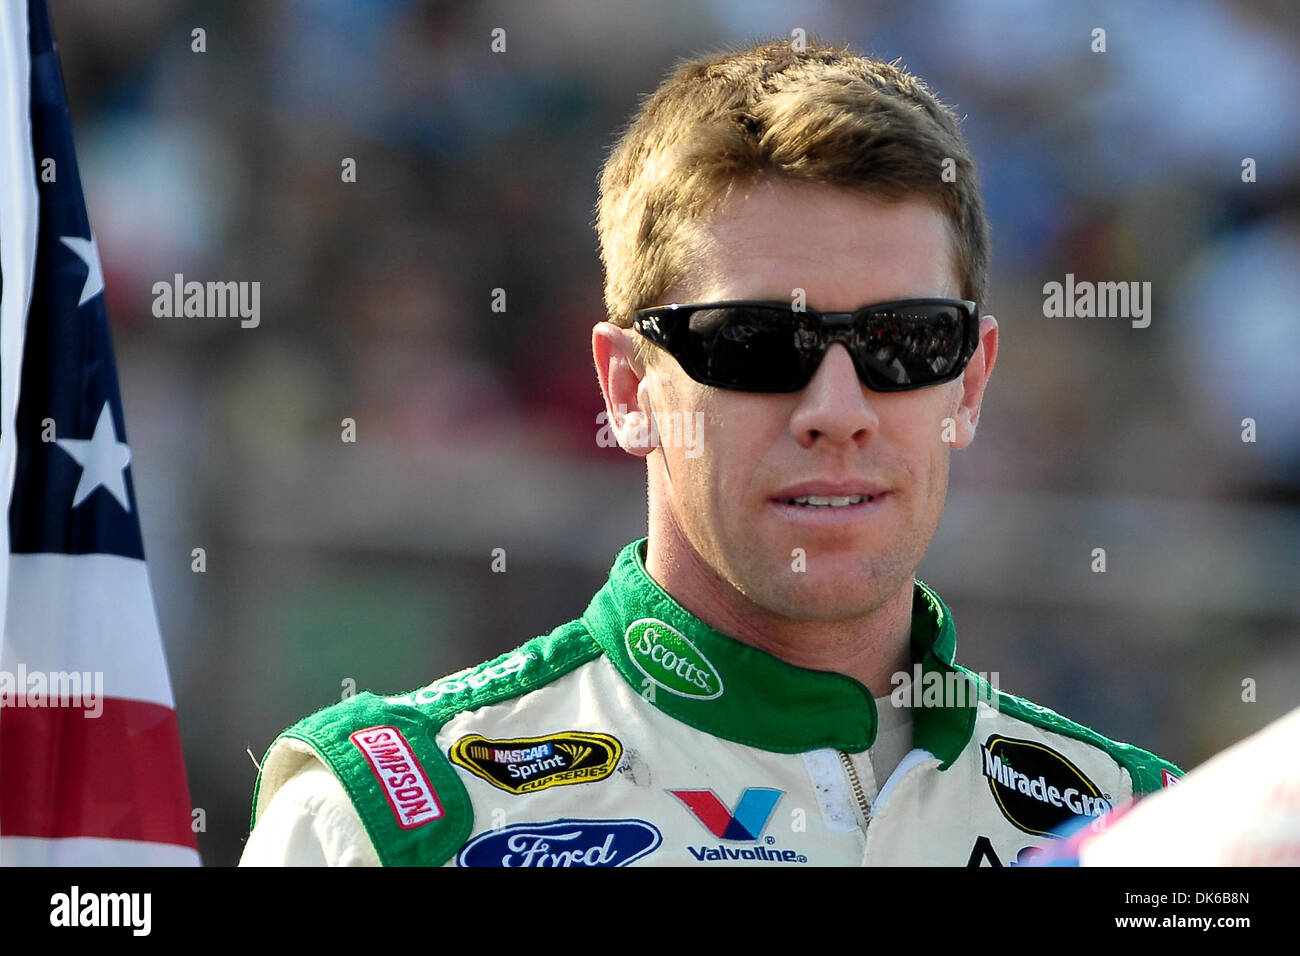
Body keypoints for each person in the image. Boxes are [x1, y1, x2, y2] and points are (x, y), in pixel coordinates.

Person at [240, 38, 1181, 867]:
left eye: (906, 341)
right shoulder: (396, 826)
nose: (839, 411)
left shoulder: (1153, 835)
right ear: (626, 391)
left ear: (969, 384)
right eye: (756, 344)